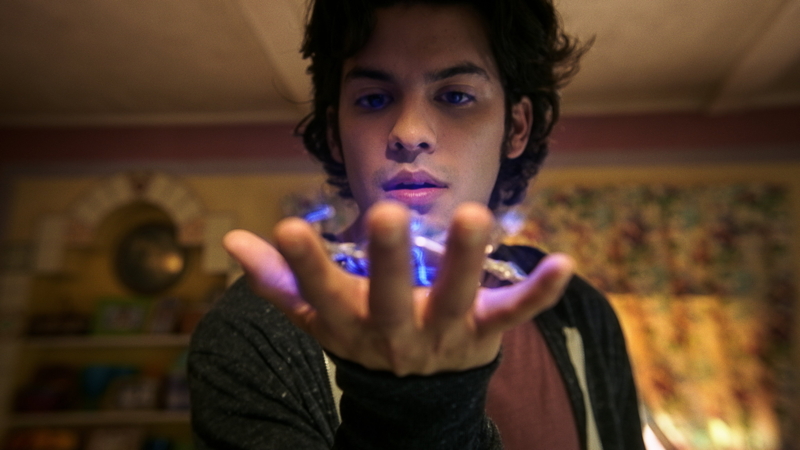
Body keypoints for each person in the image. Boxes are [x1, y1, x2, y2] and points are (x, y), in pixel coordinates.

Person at [188, 0, 645, 448]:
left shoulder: (578, 311)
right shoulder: (257, 327)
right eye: (373, 99)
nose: (409, 134)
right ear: (334, 133)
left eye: (456, 96)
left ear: (517, 127)